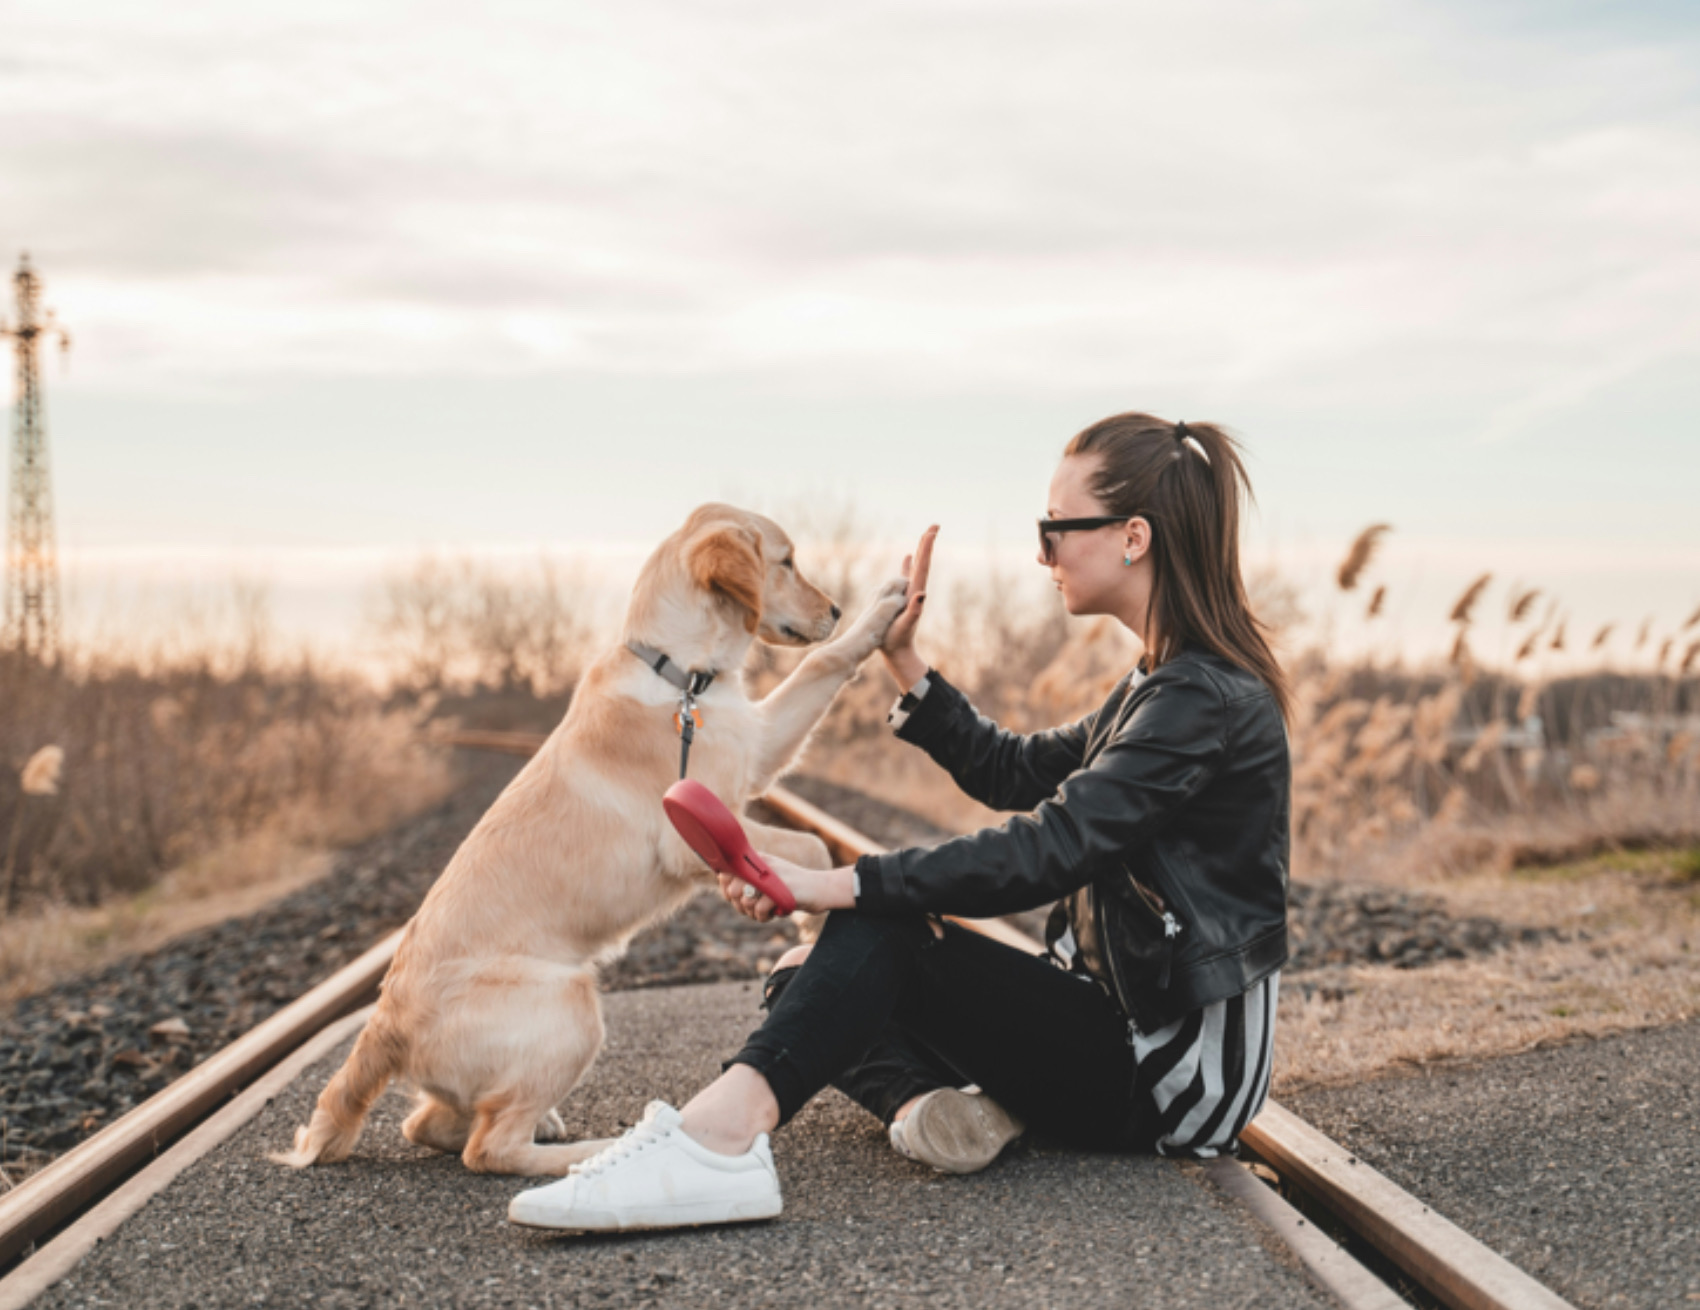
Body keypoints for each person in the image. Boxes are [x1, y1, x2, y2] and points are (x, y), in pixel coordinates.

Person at [508, 412, 1294, 1234]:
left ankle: (715, 1143)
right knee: (804, 979)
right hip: (1111, 1025)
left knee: (872, 937)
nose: (1041, 553)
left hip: (1169, 1074)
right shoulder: (1159, 685)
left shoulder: (1199, 700)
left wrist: (840, 882)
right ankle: (938, 1110)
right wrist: (904, 659)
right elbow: (1014, 770)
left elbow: (1050, 848)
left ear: (1133, 537)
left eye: (1054, 529)